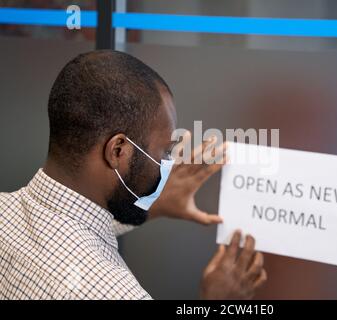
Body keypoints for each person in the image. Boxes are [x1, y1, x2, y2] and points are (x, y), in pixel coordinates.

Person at [0, 50, 267, 300]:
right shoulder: (115, 292)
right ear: (118, 150)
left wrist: (151, 205)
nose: (167, 163)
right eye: (163, 152)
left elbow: (69, 229)